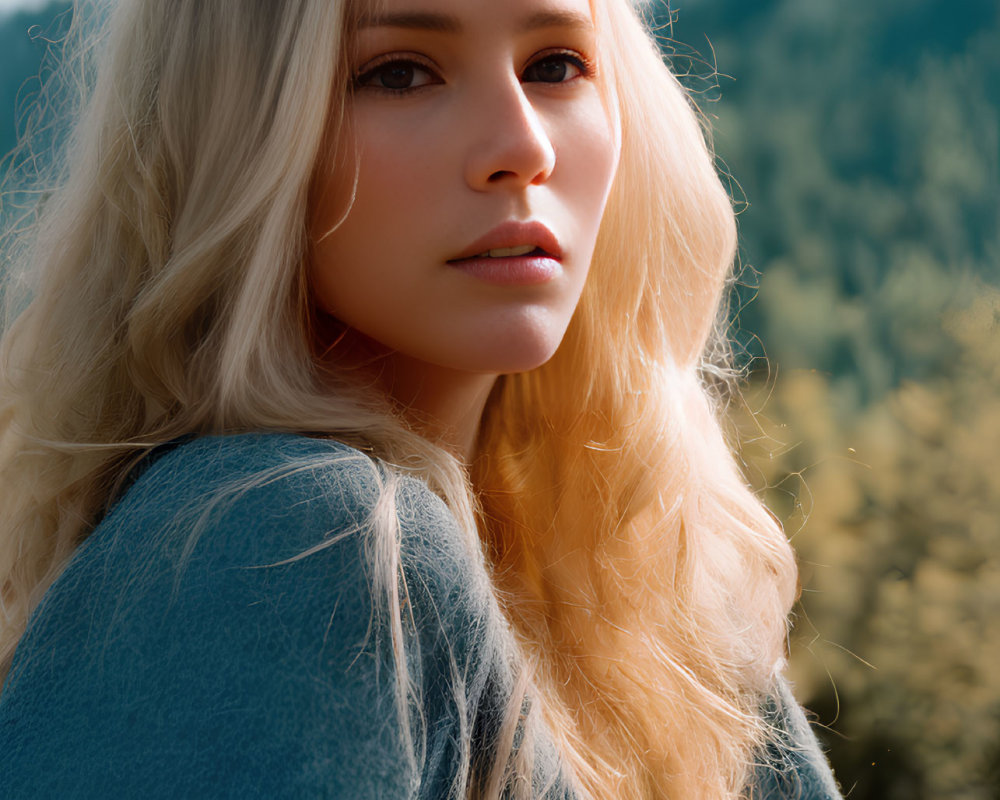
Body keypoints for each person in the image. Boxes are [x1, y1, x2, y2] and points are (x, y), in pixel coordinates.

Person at [0, 0, 844, 797]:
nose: (522, 144)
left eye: (556, 63)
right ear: (235, 130)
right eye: (400, 73)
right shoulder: (298, 540)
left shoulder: (665, 607)